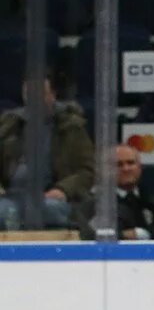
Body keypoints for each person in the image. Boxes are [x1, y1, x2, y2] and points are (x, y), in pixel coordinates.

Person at [0, 76, 95, 232]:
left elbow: (88, 170)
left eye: (40, 94)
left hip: (53, 198)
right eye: (28, 94)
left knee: (48, 210)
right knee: (3, 213)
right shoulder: (8, 125)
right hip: (11, 198)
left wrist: (63, 190)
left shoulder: (72, 127)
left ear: (53, 95)